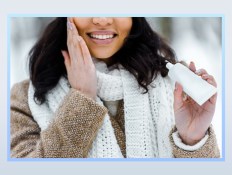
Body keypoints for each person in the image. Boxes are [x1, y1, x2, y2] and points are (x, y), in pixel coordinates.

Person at [11, 17, 220, 158]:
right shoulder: (25, 99)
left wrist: (192, 141)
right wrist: (82, 97)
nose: (102, 20)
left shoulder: (176, 84)